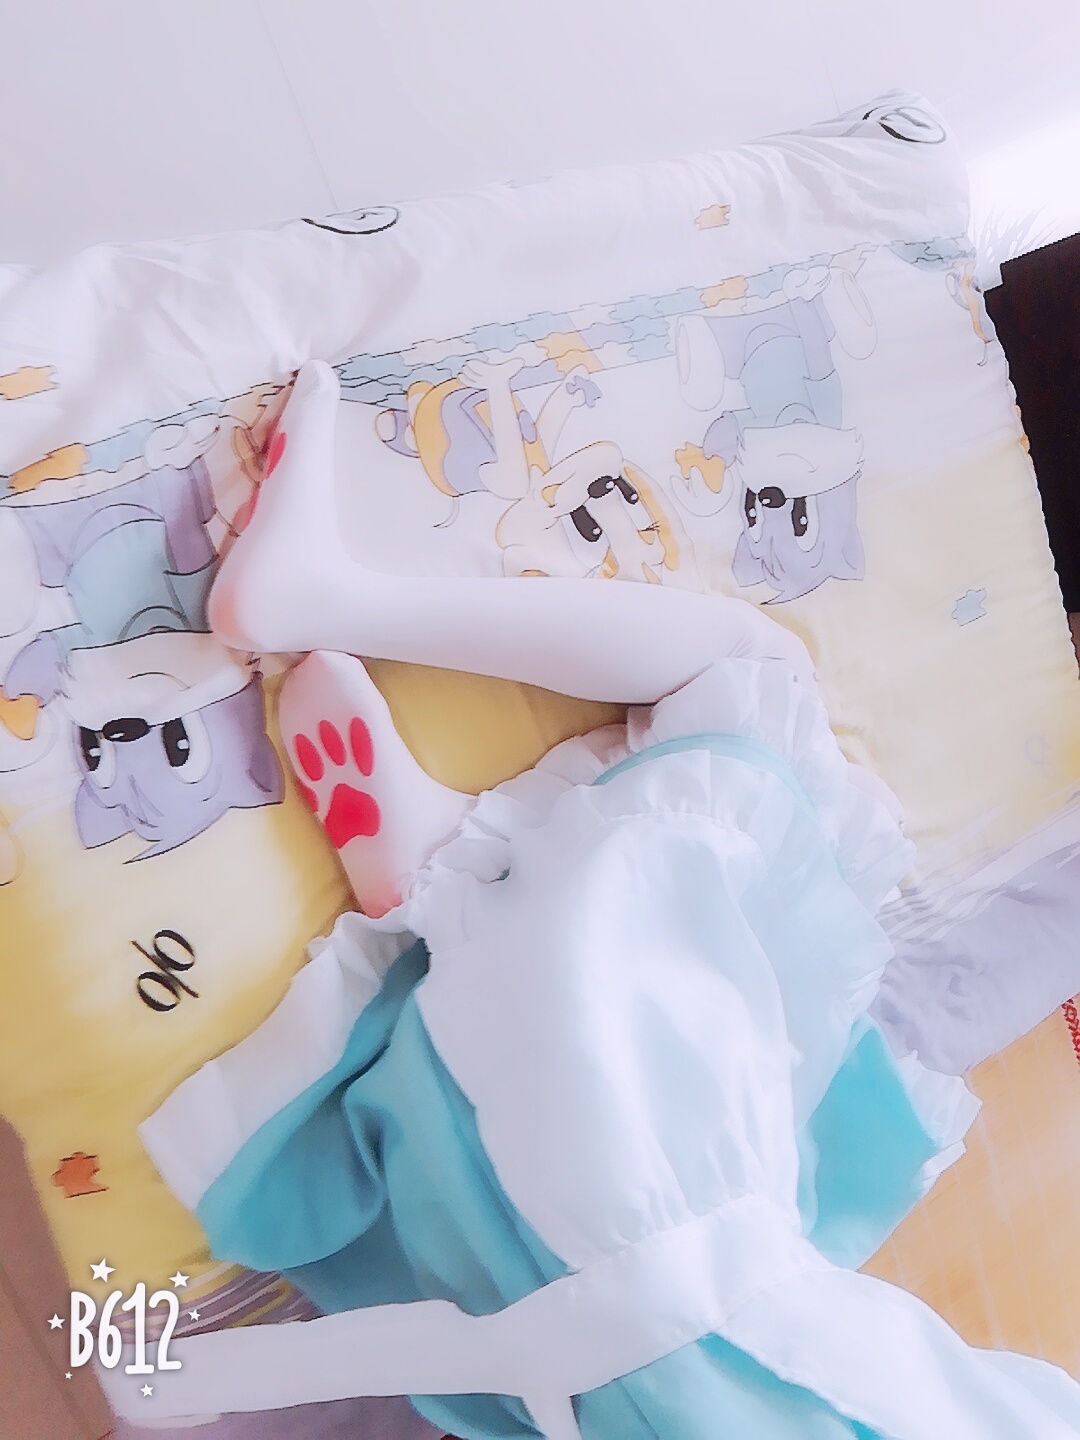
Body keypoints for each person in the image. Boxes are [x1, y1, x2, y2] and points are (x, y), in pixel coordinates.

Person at [124, 363, 1080, 1440]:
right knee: (798, 1095)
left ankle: (325, 602)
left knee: (750, 688)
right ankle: (450, 882)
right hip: (507, 1309)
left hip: (635, 1188)